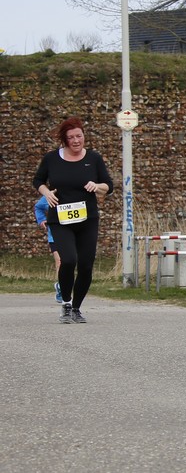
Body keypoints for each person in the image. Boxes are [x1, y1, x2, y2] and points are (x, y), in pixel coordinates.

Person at [33, 117, 113, 323]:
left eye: (79, 136)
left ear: (84, 136)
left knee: (86, 265)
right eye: (71, 137)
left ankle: (76, 308)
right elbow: (38, 180)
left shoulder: (94, 158)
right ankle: (66, 304)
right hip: (60, 219)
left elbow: (108, 186)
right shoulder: (52, 158)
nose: (76, 141)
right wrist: (46, 193)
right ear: (65, 140)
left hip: (87, 220)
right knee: (68, 260)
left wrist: (97, 186)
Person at [34, 195, 63, 303]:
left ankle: (61, 284)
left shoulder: (75, 192)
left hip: (74, 234)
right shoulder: (50, 195)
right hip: (55, 235)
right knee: (60, 261)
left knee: (71, 261)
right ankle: (62, 289)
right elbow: (38, 207)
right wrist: (41, 220)